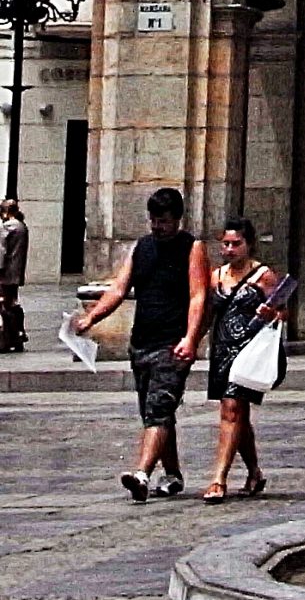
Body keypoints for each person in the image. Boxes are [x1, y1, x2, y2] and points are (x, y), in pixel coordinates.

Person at [73, 186, 210, 501]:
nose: (157, 226)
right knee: (156, 413)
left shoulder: (192, 248)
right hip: (142, 342)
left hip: (172, 343)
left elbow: (198, 295)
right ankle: (173, 474)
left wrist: (190, 338)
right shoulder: (142, 248)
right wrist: (91, 318)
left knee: (159, 409)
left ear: (176, 219)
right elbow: (119, 289)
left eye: (163, 221)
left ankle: (142, 474)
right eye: (153, 220)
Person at [201, 219, 283, 502]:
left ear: (248, 245)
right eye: (226, 243)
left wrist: (270, 313)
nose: (230, 249)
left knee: (232, 409)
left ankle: (218, 478)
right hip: (223, 349)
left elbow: (282, 312)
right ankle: (254, 472)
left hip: (248, 351)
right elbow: (208, 313)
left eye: (236, 244)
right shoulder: (216, 276)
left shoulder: (263, 276)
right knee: (240, 417)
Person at [0, 197, 27, 354]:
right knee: (12, 303)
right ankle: (18, 334)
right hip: (16, 271)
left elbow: (1, 252)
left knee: (5, 304)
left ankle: (8, 337)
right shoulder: (21, 226)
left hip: (6, 273)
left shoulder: (8, 227)